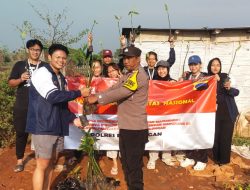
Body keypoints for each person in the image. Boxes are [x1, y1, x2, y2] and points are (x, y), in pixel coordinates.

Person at [25, 44, 90, 190]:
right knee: (42, 165)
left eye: (64, 58)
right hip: (43, 126)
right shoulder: (42, 73)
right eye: (58, 57)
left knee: (51, 164)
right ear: (49, 57)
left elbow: (62, 105)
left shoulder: (61, 78)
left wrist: (74, 118)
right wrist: (79, 93)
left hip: (57, 126)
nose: (61, 60)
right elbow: (53, 96)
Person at [87, 46, 149, 190]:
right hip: (126, 126)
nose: (126, 61)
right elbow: (114, 88)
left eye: (129, 58)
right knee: (126, 162)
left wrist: (98, 98)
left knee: (133, 165)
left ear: (138, 59)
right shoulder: (128, 74)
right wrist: (97, 96)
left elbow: (123, 91)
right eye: (124, 58)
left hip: (135, 128)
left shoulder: (139, 75)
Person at [8, 39, 47, 172]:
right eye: (33, 49)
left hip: (40, 107)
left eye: (38, 50)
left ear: (40, 52)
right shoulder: (20, 65)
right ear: (28, 50)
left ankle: (40, 160)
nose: (35, 52)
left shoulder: (45, 66)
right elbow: (11, 83)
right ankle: (20, 160)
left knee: (40, 133)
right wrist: (21, 79)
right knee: (21, 133)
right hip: (22, 106)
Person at [207, 57, 239, 165]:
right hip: (214, 113)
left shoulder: (225, 77)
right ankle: (216, 159)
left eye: (218, 65)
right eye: (213, 65)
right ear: (209, 66)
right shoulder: (207, 78)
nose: (215, 67)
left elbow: (236, 92)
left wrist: (228, 87)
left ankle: (224, 161)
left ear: (220, 67)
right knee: (216, 136)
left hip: (227, 112)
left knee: (225, 137)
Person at [179, 55, 208, 171]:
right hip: (189, 111)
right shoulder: (186, 77)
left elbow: (207, 88)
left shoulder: (206, 77)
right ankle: (190, 156)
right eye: (191, 65)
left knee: (201, 134)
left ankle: (202, 159)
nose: (193, 67)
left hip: (201, 111)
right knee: (189, 133)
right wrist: (180, 81)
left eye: (195, 64)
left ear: (200, 65)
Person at [147, 60, 177, 170]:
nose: (161, 71)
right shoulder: (152, 82)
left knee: (167, 134)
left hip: (169, 113)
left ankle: (166, 156)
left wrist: (177, 84)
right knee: (154, 134)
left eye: (164, 68)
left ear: (168, 70)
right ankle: (152, 157)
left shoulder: (173, 82)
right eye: (159, 69)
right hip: (155, 113)